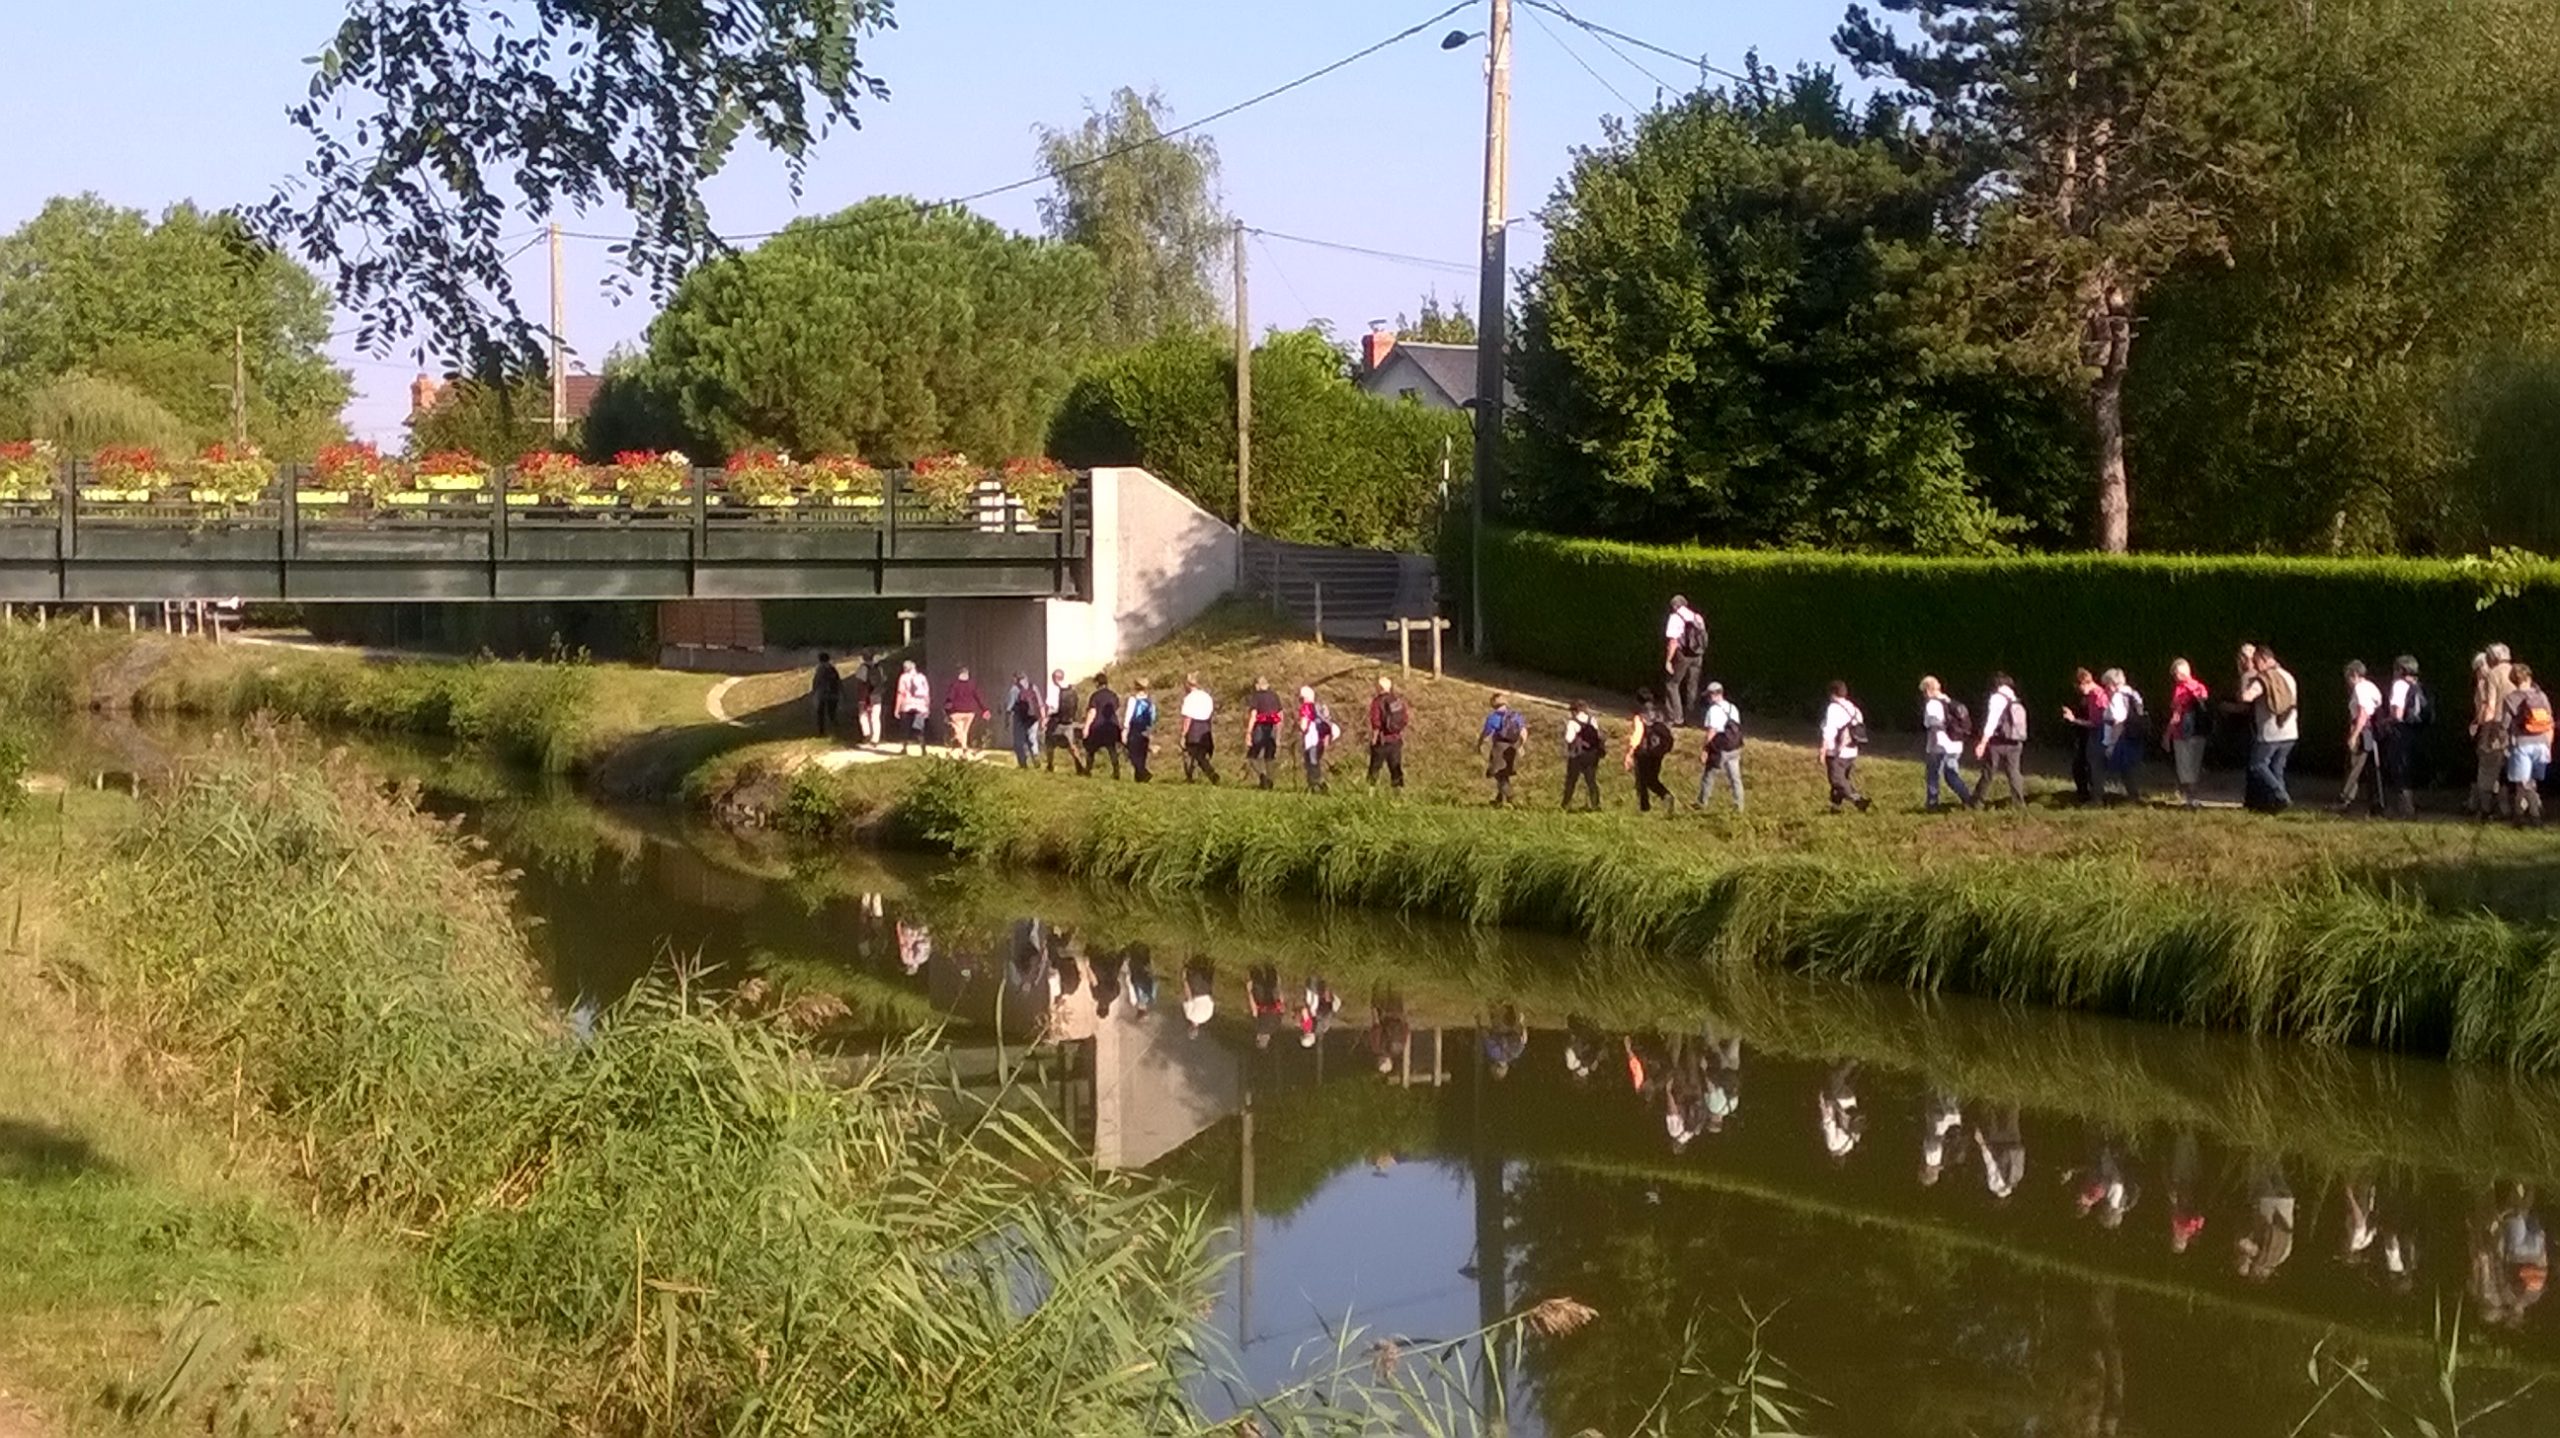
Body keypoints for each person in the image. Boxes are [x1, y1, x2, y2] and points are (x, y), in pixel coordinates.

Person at [2238, 644, 2300, 813]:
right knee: (2276, 768)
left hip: (2270, 733)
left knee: (2257, 765)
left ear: (2264, 660)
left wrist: (2246, 678)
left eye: (2257, 662)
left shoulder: (2263, 679)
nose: (2256, 666)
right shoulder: (2288, 676)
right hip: (2290, 731)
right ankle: (2276, 807)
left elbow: (2246, 697)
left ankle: (2281, 795)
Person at [2503, 661, 2551, 824]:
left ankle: (2533, 814)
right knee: (2529, 782)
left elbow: (2505, 724)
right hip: (2541, 742)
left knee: (2523, 783)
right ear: (2529, 676)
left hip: (2521, 744)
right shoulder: (2541, 695)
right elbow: (2549, 719)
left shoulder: (2510, 699)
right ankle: (2519, 814)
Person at [2472, 644, 2517, 818]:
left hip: (2497, 726)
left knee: (2487, 768)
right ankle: (2511, 808)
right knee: (2508, 770)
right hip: (2517, 728)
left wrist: (2483, 733)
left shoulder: (2493, 674)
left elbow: (2490, 706)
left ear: (2493, 658)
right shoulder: (2516, 671)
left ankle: (2485, 809)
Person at [1919, 675, 1975, 811]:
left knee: (1933, 773)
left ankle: (1932, 803)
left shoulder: (1932, 704)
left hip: (1939, 744)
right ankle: (1968, 799)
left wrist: (1931, 746)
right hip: (1955, 744)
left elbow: (1933, 725)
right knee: (1951, 774)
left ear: (1927, 690)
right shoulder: (1949, 701)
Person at [1973, 672, 2028, 808]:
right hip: (2016, 741)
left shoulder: (1997, 698)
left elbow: (1992, 721)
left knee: (1988, 771)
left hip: (1999, 742)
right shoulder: (2014, 698)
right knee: (2014, 772)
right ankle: (2019, 803)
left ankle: (1977, 802)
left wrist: (1983, 743)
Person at [2339, 660, 2385, 816]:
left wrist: (2354, 735)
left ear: (2354, 675)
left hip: (2362, 729)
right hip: (2371, 731)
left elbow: (2363, 713)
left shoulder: (2360, 688)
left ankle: (2344, 800)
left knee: (2354, 767)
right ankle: (2374, 804)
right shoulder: (2371, 687)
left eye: (2348, 678)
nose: (2348, 682)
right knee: (2371, 769)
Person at [2163, 658, 2211, 808]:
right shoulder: (2199, 686)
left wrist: (2167, 734)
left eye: (2175, 674)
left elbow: (2176, 714)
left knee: (2185, 767)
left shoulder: (2182, 689)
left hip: (2183, 732)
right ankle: (2192, 798)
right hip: (2199, 730)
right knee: (2194, 766)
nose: (2175, 677)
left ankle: (2190, 799)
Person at [2383, 655, 2424, 818]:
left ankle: (2405, 809)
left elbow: (2397, 713)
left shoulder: (2399, 685)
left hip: (2400, 731)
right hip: (2415, 730)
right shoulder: (2417, 685)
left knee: (2399, 768)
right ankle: (2410, 805)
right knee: (2408, 767)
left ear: (2400, 669)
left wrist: (2385, 721)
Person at [1624, 688, 1677, 814]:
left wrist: (1630, 753)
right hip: (1658, 752)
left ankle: (1644, 807)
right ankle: (1665, 794)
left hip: (1643, 752)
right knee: (1652, 779)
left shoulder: (1640, 716)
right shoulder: (1660, 714)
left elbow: (1637, 735)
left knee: (1642, 780)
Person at [1820, 680, 1870, 812]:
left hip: (1837, 751)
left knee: (1837, 780)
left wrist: (1823, 750)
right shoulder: (1853, 708)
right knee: (1843, 779)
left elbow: (1829, 730)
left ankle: (1858, 800)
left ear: (1832, 693)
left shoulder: (1833, 708)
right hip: (1852, 751)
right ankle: (1835, 807)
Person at [2100, 667, 2146, 804]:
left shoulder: (2117, 697)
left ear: (2112, 684)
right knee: (2130, 768)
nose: (2105, 689)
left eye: (2106, 686)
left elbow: (2118, 721)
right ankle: (2134, 795)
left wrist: (2112, 745)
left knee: (2125, 769)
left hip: (2122, 737)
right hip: (2135, 735)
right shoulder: (2133, 693)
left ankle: (2133, 797)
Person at [2060, 668, 2106, 805]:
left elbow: (2096, 722)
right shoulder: (2091, 695)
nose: (2078, 690)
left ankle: (2095, 798)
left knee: (2092, 767)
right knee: (2085, 765)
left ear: (2083, 683)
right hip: (2090, 734)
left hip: (2096, 735)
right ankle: (2090, 796)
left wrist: (2074, 720)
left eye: (2078, 686)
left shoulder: (2097, 696)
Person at [1663, 593, 1709, 727]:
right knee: (1692, 686)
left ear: (1674, 606)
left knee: (1672, 684)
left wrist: (1668, 660)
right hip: (1698, 655)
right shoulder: (1697, 617)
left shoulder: (1675, 618)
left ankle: (1676, 718)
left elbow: (1673, 641)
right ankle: (1692, 719)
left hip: (1683, 655)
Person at [1697, 681, 1743, 812]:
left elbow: (1711, 732)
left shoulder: (1713, 710)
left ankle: (1702, 802)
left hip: (1720, 749)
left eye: (1709, 696)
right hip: (1735, 747)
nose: (1708, 699)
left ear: (1713, 695)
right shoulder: (1732, 707)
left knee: (1709, 775)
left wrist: (1705, 750)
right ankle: (1739, 806)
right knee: (1735, 778)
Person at [1477, 693, 1526, 806]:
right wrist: (1521, 745)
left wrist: (1479, 744)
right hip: (1513, 747)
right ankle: (1499, 800)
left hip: (1499, 747)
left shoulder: (1493, 717)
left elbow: (1486, 734)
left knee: (1498, 774)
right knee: (1505, 773)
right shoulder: (1516, 716)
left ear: (1493, 703)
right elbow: (1523, 732)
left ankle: (1511, 798)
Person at [1366, 676, 1410, 790]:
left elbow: (1376, 722)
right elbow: (1405, 719)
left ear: (1379, 687)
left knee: (1374, 768)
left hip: (1382, 740)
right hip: (1396, 740)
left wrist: (1374, 740)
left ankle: (1370, 793)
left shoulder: (1377, 702)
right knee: (1395, 768)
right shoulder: (1397, 700)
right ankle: (1398, 795)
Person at [1561, 700, 1605, 810]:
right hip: (1592, 754)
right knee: (1591, 780)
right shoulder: (1592, 720)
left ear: (1575, 711)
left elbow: (1569, 738)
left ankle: (1566, 804)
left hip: (1577, 754)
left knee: (1571, 780)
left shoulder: (1573, 722)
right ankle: (1595, 804)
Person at [1245, 677, 1286, 790]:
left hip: (1260, 727)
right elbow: (1281, 716)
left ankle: (1263, 777)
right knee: (1270, 756)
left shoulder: (1256, 697)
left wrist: (1248, 732)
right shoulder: (1274, 696)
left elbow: (1254, 715)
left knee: (1252, 756)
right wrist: (1279, 733)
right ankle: (1270, 780)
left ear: (1257, 685)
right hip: (1273, 726)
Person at [1178, 673, 1219, 783]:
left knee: (1190, 754)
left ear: (1187, 685)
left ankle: (1195, 776)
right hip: (1205, 726)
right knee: (1199, 755)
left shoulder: (1189, 698)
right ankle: (1205, 775)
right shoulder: (1206, 696)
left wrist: (1183, 734)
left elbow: (1188, 717)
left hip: (1194, 727)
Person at [1082, 672, 1124, 779]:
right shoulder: (1113, 695)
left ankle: (1088, 770)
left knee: (1091, 749)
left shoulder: (1095, 696)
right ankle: (1116, 771)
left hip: (1098, 727)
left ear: (1097, 683)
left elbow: (1092, 712)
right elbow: (1116, 710)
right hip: (1112, 726)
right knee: (1112, 749)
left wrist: (1086, 727)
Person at [1296, 684, 1333, 792]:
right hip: (1320, 739)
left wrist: (1300, 727)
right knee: (1315, 761)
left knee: (1310, 762)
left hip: (1310, 739)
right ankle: (1314, 785)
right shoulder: (1319, 707)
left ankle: (1318, 783)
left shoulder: (1306, 707)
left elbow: (1304, 724)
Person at [1043, 669, 1081, 774]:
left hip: (1056, 721)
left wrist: (1046, 718)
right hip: (1068, 721)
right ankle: (1079, 765)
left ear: (1054, 678)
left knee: (1049, 743)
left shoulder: (1054, 690)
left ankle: (1050, 765)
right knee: (1071, 745)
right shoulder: (1071, 690)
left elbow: (1052, 707)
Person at [944, 666, 988, 753]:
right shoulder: (972, 684)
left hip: (956, 711)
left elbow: (950, 697)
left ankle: (959, 740)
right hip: (970, 711)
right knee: (965, 730)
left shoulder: (955, 684)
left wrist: (946, 706)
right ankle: (964, 747)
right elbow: (978, 697)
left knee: (959, 729)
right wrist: (984, 709)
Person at [892, 660, 931, 754]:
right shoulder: (922, 677)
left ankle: (905, 748)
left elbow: (900, 693)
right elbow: (927, 694)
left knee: (905, 728)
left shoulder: (903, 677)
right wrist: (927, 707)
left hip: (907, 705)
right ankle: (923, 749)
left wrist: (897, 709)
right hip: (920, 705)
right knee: (919, 728)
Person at [1007, 673, 1043, 768]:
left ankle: (1023, 764)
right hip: (1033, 718)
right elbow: (1040, 703)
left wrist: (1006, 721)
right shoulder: (1034, 687)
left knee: (1019, 742)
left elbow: (1009, 707)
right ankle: (1036, 757)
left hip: (1020, 718)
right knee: (1032, 739)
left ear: (1016, 679)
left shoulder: (1014, 689)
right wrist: (1043, 718)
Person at [1126, 680, 1157, 783]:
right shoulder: (1150, 702)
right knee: (1142, 754)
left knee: (1133, 754)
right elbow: (1153, 717)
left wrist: (1125, 729)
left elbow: (1129, 715)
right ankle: (1139, 779)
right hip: (1146, 729)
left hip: (1134, 728)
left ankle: (1144, 774)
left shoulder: (1133, 700)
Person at [1180, 958, 1216, 1038]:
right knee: (1192, 965)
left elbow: (1212, 1001)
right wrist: (1184, 980)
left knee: (1207, 965)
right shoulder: (1189, 1015)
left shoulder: (1207, 1017)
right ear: (1189, 1028)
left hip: (1207, 989)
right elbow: (1189, 997)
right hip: (1197, 987)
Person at [810, 652, 843, 738]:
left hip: (822, 693)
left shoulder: (820, 669)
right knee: (832, 712)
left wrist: (814, 692)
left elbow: (816, 681)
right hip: (833, 693)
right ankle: (835, 728)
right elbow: (838, 681)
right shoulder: (832, 669)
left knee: (821, 713)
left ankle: (822, 731)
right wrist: (841, 692)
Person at [855, 651, 885, 746]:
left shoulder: (862, 668)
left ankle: (867, 734)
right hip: (877, 695)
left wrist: (861, 698)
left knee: (863, 716)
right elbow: (883, 680)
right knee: (875, 717)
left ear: (863, 657)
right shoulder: (879, 668)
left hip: (865, 696)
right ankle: (875, 739)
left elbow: (861, 683)